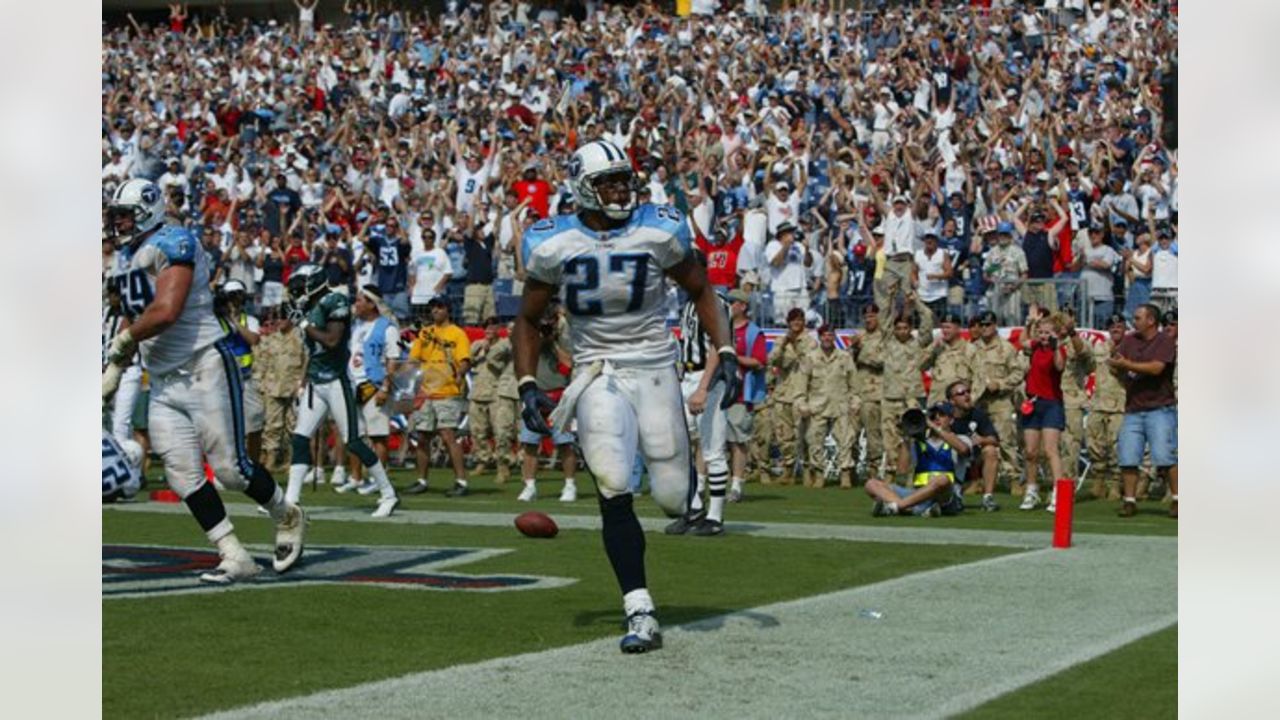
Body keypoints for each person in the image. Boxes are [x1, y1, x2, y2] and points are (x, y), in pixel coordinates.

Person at [514, 140, 739, 654]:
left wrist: (723, 347)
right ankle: (639, 609)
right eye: (608, 181)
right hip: (597, 372)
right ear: (582, 188)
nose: (621, 189)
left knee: (669, 496)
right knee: (613, 481)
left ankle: (680, 499)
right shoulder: (551, 242)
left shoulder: (657, 228)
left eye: (624, 179)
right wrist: (527, 382)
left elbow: (701, 288)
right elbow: (527, 319)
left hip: (655, 364)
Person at [102, 179, 305, 584]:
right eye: (116, 215)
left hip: (202, 367)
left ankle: (288, 514)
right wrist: (116, 365)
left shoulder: (174, 241)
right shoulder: (124, 258)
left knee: (231, 470)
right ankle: (233, 553)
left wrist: (123, 342)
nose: (119, 223)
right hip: (162, 381)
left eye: (125, 214)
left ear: (148, 209)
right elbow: (132, 312)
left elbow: (166, 310)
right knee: (181, 475)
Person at [281, 265, 400, 518]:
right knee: (301, 438)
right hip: (316, 381)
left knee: (354, 441)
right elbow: (311, 349)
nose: (299, 289)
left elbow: (332, 340)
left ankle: (388, 494)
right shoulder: (312, 305)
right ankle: (290, 500)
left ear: (315, 281)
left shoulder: (336, 301)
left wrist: (303, 324)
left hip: (336, 381)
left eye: (303, 283)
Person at [666, 266, 733, 535]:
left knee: (713, 449)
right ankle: (693, 509)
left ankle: (715, 516)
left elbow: (720, 344)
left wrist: (703, 387)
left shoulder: (716, 301)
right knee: (681, 447)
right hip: (687, 376)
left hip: (709, 378)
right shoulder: (688, 303)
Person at [334, 286, 402, 514]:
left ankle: (379, 477)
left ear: (372, 304)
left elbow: (393, 359)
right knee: (355, 435)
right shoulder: (355, 326)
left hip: (374, 384)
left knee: (378, 435)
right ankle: (356, 476)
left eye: (361, 300)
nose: (356, 303)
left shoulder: (387, 328)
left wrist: (385, 386)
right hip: (354, 383)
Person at [1107, 303, 1178, 519]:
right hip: (1133, 407)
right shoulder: (1129, 341)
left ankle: (1177, 499)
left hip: (1160, 408)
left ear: (1151, 321)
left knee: (1165, 456)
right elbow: (1117, 364)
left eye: (1138, 318)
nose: (1134, 322)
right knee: (1128, 456)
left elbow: (1157, 368)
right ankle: (1129, 500)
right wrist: (1116, 363)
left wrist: (1127, 363)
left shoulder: (1164, 341)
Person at [403, 297, 472, 497]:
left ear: (448, 311)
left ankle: (461, 481)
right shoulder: (425, 333)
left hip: (447, 391)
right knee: (422, 436)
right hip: (425, 391)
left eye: (440, 307)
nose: (435, 311)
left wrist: (460, 373)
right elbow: (413, 359)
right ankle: (421, 480)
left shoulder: (457, 334)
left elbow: (465, 360)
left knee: (448, 435)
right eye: (433, 307)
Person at [1017, 309, 1084, 511]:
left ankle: (1058, 492)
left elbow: (1059, 366)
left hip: (1051, 403)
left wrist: (1055, 347)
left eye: (1048, 333)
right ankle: (1031, 490)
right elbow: (1023, 342)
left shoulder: (1059, 350)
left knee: (1051, 450)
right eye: (1041, 332)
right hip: (1032, 402)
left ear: (1055, 334)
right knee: (1030, 452)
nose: (1044, 336)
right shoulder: (1035, 346)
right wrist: (1030, 324)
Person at [514, 304, 580, 503]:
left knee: (564, 443)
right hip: (535, 394)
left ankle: (570, 484)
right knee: (530, 443)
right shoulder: (530, 340)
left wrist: (553, 343)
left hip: (557, 397)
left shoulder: (563, 340)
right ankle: (530, 485)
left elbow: (568, 364)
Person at [864, 404, 969, 518]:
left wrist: (935, 427)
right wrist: (906, 437)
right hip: (918, 494)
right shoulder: (918, 443)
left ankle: (896, 507)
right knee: (871, 484)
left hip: (946, 494)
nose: (937, 418)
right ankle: (913, 509)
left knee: (942, 479)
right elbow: (902, 472)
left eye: (942, 415)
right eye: (932, 416)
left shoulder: (961, 439)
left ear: (951, 420)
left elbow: (963, 450)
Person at [880, 294, 935, 481]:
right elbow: (884, 317)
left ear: (911, 328)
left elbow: (927, 317)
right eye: (899, 328)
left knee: (912, 439)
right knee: (889, 441)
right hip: (889, 398)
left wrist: (915, 302)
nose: (902, 331)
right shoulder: (887, 343)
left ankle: (912, 475)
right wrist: (893, 300)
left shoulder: (918, 343)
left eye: (905, 328)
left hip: (911, 398)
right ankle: (891, 475)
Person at [971, 310, 1027, 495]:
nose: (985, 328)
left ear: (995, 326)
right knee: (976, 442)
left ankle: (1013, 479)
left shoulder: (1006, 348)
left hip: (1000, 401)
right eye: (982, 325)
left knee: (1006, 441)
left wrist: (1001, 384)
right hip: (978, 402)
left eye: (988, 325)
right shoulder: (972, 348)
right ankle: (978, 480)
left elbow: (1018, 373)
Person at [799, 325, 859, 489]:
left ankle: (845, 474)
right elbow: (801, 385)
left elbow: (854, 384)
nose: (827, 338)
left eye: (830, 335)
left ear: (834, 337)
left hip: (841, 405)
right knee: (814, 441)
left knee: (846, 440)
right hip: (817, 405)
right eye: (824, 335)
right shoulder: (810, 358)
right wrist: (802, 404)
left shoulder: (844, 357)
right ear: (819, 337)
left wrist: (855, 402)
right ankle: (819, 474)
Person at [723, 288, 768, 504]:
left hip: (740, 392)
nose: (729, 306)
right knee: (709, 439)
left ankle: (737, 484)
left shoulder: (753, 332)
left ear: (742, 306)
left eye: (733, 302)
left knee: (737, 440)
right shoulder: (721, 327)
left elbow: (759, 361)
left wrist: (735, 356)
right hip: (718, 389)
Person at [214, 280, 266, 464]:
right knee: (224, 425)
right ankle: (227, 465)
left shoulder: (249, 320)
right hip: (223, 380)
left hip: (246, 378)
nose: (234, 301)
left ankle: (252, 464)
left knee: (254, 421)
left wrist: (234, 321)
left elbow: (253, 339)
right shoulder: (216, 321)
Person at [766, 308, 817, 486]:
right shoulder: (781, 340)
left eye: (799, 320)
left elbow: (806, 362)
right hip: (782, 394)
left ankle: (808, 470)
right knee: (783, 436)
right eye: (793, 320)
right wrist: (783, 344)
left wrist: (794, 345)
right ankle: (788, 470)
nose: (796, 323)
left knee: (803, 436)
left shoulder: (810, 341)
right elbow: (772, 360)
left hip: (801, 394)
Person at [255, 310, 306, 473]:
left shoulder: (300, 337)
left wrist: (303, 383)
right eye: (277, 318)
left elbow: (307, 361)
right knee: (272, 426)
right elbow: (262, 361)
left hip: (294, 388)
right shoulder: (271, 339)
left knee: (294, 426)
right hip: (273, 387)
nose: (280, 321)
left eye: (283, 317)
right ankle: (271, 459)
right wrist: (261, 384)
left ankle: (292, 461)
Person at [941, 380, 1003, 512]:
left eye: (968, 391)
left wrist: (982, 440)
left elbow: (995, 439)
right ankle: (952, 495)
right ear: (951, 401)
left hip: (973, 462)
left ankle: (988, 498)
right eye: (961, 393)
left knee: (991, 451)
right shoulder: (943, 415)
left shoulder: (978, 414)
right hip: (949, 463)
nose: (967, 395)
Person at [467, 317, 515, 480]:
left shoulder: (504, 344)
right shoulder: (477, 344)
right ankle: (482, 460)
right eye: (486, 327)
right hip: (478, 392)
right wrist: (476, 352)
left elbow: (500, 363)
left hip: (497, 392)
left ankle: (503, 465)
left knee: (501, 431)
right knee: (477, 431)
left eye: (493, 327)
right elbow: (468, 363)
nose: (489, 330)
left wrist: (489, 351)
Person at [1088, 313, 1129, 500]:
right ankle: (1098, 479)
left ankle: (1115, 483)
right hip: (1098, 402)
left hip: (1120, 404)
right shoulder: (1098, 348)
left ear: (1125, 328)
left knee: (1116, 445)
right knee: (1095, 444)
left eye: (1119, 326)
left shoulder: (1130, 348)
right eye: (1112, 327)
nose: (1115, 330)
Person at [849, 303, 886, 478]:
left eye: (872, 316)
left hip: (874, 393)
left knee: (873, 434)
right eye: (866, 317)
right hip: (856, 392)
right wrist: (853, 349)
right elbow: (847, 363)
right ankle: (850, 468)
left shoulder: (884, 337)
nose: (868, 320)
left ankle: (873, 468)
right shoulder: (859, 336)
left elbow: (881, 361)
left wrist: (861, 353)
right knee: (850, 432)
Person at [921, 312, 986, 407]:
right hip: (938, 404)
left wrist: (971, 400)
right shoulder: (937, 349)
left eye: (948, 327)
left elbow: (980, 378)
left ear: (958, 329)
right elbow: (921, 366)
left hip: (959, 406)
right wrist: (932, 346)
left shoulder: (970, 350)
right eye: (943, 327)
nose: (945, 331)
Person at [763, 222, 813, 325]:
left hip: (800, 286)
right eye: (790, 232)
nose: (793, 234)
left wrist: (807, 250)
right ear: (783, 234)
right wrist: (786, 246)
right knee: (783, 320)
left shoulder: (798, 246)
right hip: (783, 288)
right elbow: (776, 263)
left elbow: (808, 263)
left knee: (803, 318)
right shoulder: (772, 245)